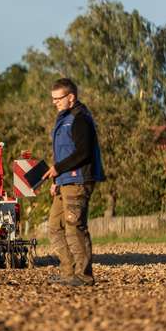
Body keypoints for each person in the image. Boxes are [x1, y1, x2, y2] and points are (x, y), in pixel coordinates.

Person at [42, 78, 105, 286]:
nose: (55, 103)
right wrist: (57, 179)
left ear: (71, 97)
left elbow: (83, 153)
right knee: (54, 227)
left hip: (78, 181)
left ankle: (84, 275)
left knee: (74, 227)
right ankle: (69, 273)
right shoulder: (64, 118)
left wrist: (57, 169)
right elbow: (64, 153)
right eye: (53, 99)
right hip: (65, 181)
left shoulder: (80, 119)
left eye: (58, 98)